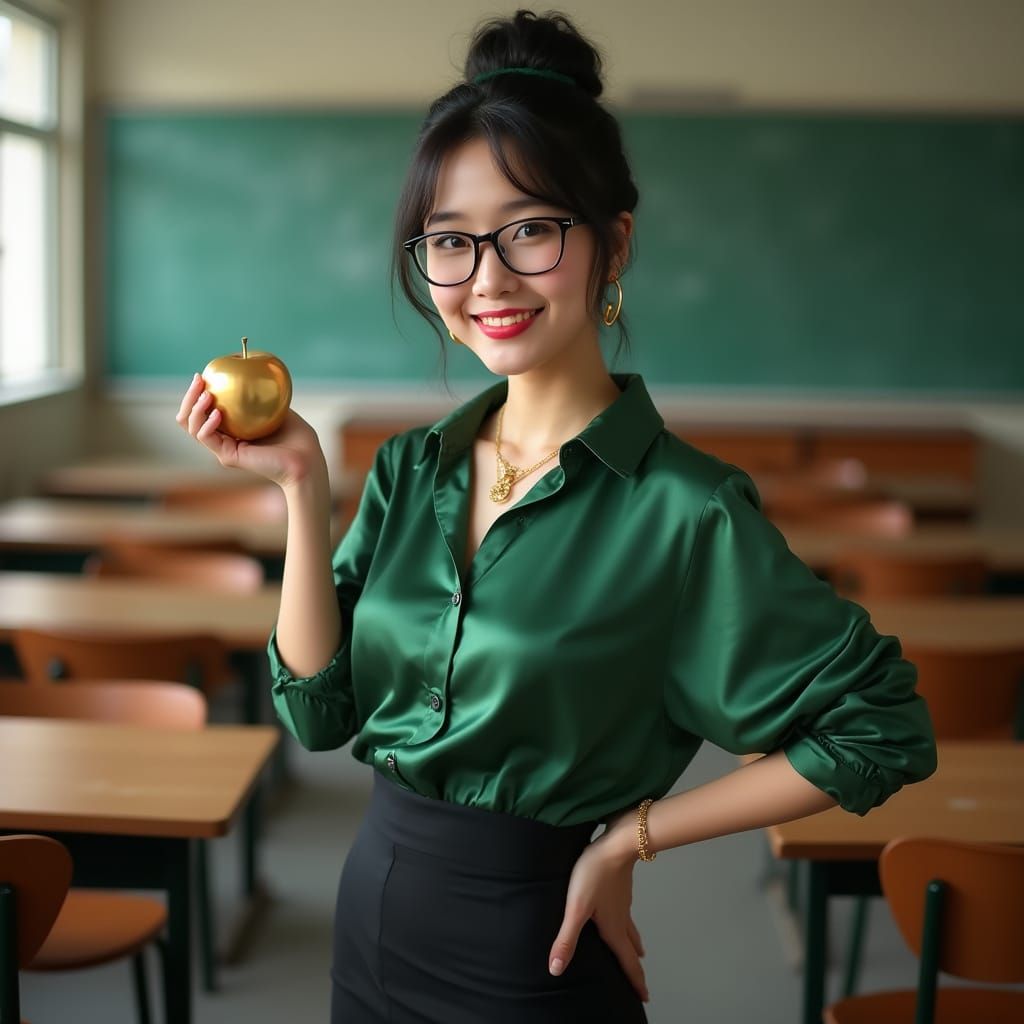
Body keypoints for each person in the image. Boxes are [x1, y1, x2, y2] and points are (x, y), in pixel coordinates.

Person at [176, 9, 937, 1022]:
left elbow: (878, 727)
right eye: (449, 241)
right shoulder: (411, 468)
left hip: (532, 948)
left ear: (611, 242)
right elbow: (318, 712)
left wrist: (634, 837)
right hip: (370, 917)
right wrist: (301, 490)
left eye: (530, 228)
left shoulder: (683, 508)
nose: (486, 277)